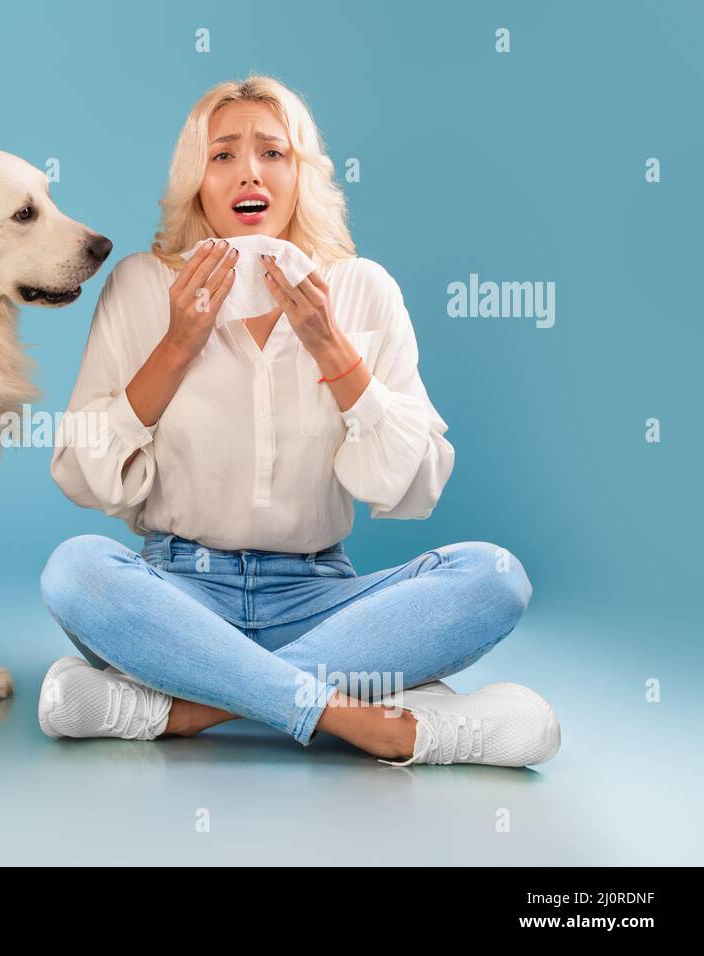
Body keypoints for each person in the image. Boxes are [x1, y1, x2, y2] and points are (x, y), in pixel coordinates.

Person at [37, 74, 561, 767]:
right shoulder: (141, 284)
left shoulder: (362, 289)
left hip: (322, 598)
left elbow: (416, 485)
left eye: (272, 153)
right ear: (197, 181)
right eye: (222, 155)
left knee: (493, 575)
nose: (248, 170)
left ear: (299, 175)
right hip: (179, 594)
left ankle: (192, 708)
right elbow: (82, 473)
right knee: (76, 571)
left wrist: (334, 350)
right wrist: (177, 346)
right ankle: (379, 725)